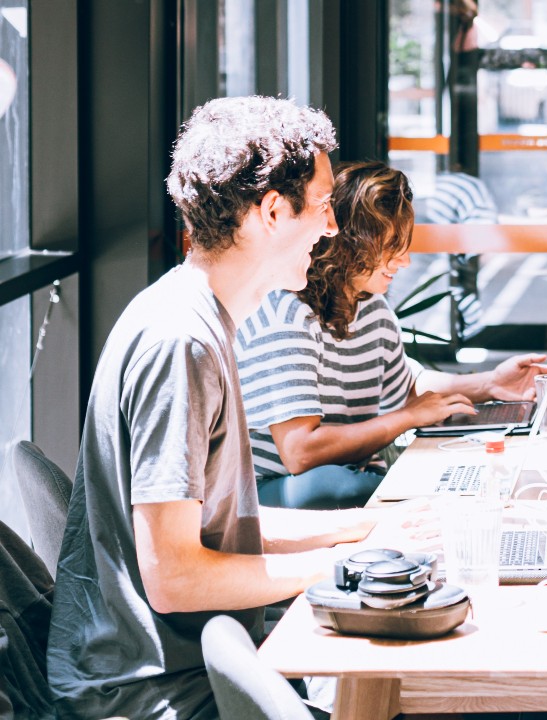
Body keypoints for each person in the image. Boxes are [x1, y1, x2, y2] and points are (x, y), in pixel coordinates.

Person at [45, 97, 394, 720]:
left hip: (188, 667)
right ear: (271, 212)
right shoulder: (181, 342)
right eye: (321, 207)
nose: (332, 228)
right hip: (159, 693)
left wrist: (366, 532)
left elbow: (220, 536)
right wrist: (338, 565)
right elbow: (175, 577)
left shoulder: (197, 317)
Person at [235, 161, 547, 510]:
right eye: (392, 246)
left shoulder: (372, 309)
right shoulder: (286, 316)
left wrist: (489, 383)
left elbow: (410, 384)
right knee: (337, 486)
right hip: (270, 492)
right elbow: (300, 453)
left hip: (344, 475)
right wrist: (407, 418)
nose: (405, 261)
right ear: (351, 244)